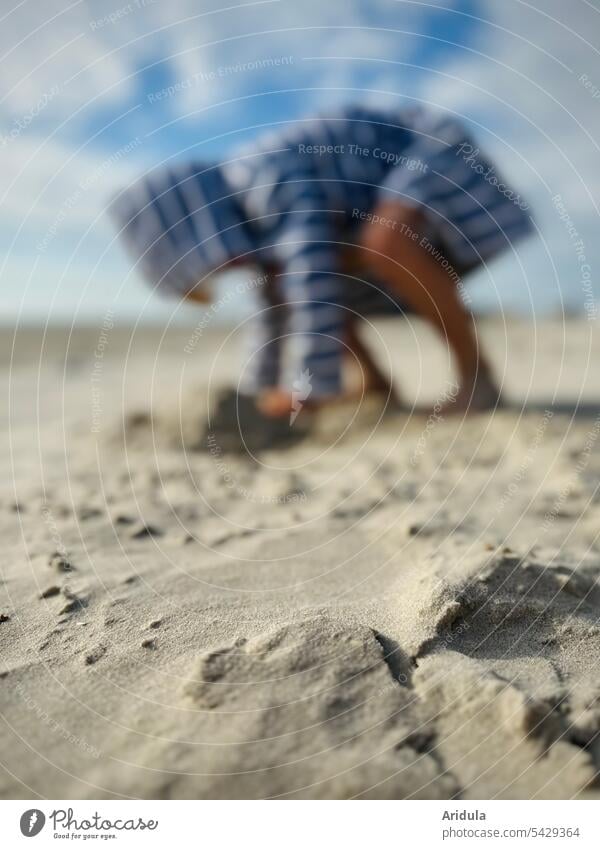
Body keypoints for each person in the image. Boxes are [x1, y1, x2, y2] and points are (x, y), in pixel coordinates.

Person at [110, 104, 532, 420]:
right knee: (291, 277)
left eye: (211, 265)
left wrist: (308, 385)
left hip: (433, 151)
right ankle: (375, 385)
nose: (225, 271)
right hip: (365, 209)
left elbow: (313, 281)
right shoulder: (251, 220)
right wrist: (261, 387)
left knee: (383, 242)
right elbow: (274, 306)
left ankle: (478, 378)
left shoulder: (263, 179)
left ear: (199, 228)